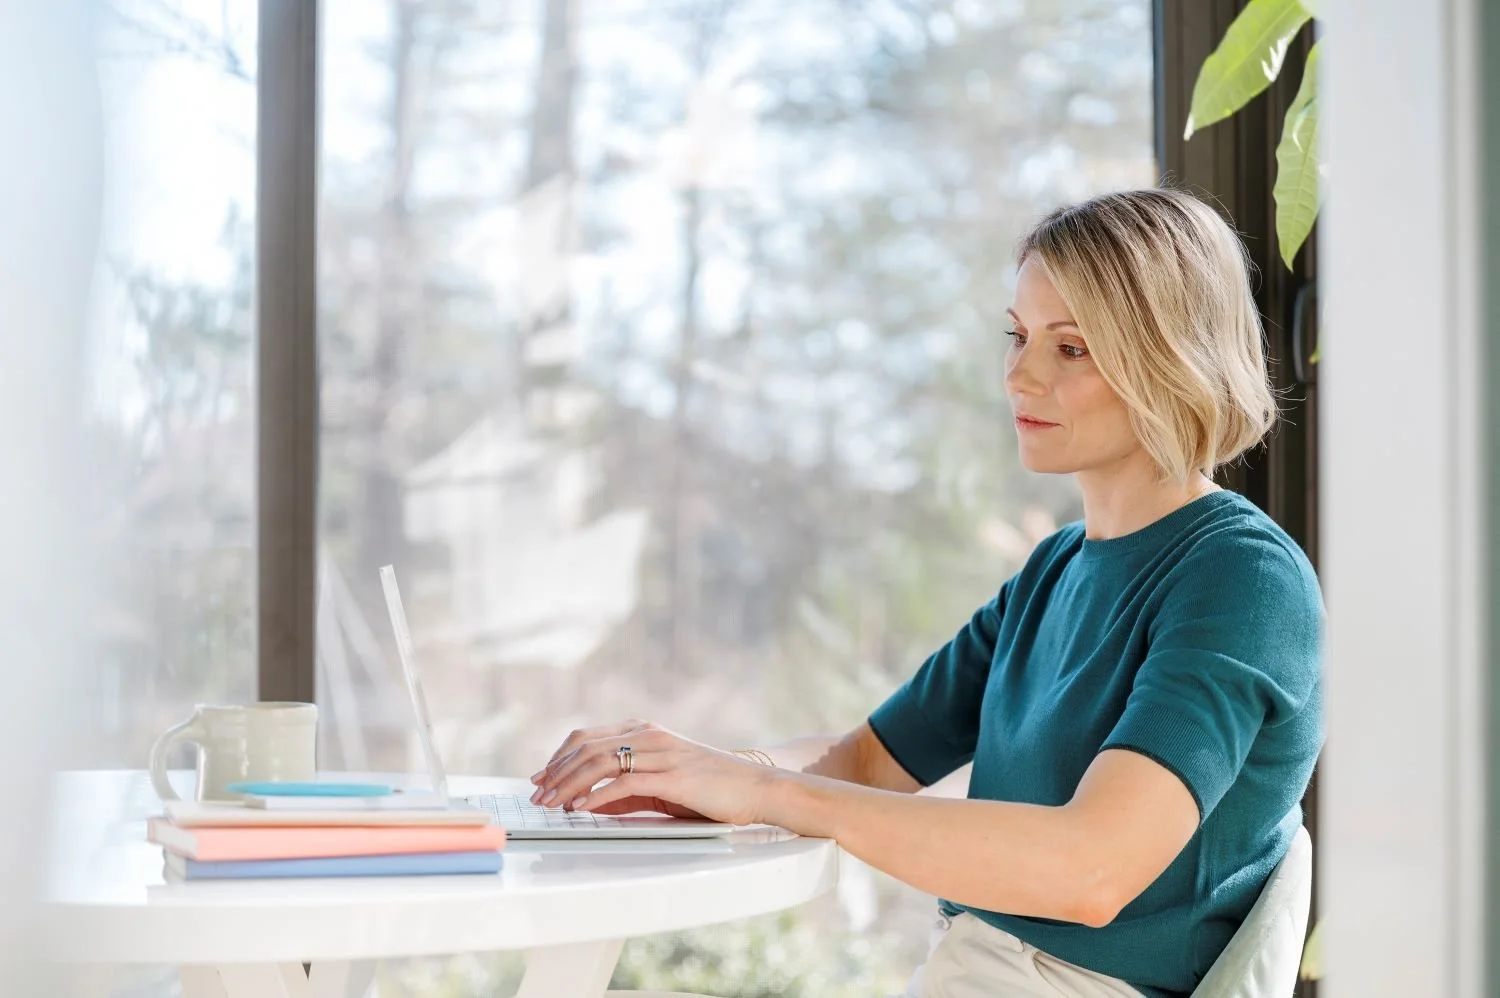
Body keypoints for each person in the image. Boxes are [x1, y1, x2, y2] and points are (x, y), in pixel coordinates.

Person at [528, 188, 1324, 998]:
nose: (1019, 373)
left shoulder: (1241, 580)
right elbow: (870, 760)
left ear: (1171, 358)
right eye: (1016, 336)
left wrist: (767, 792)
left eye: (1071, 348)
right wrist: (700, 773)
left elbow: (1090, 869)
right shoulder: (1056, 572)